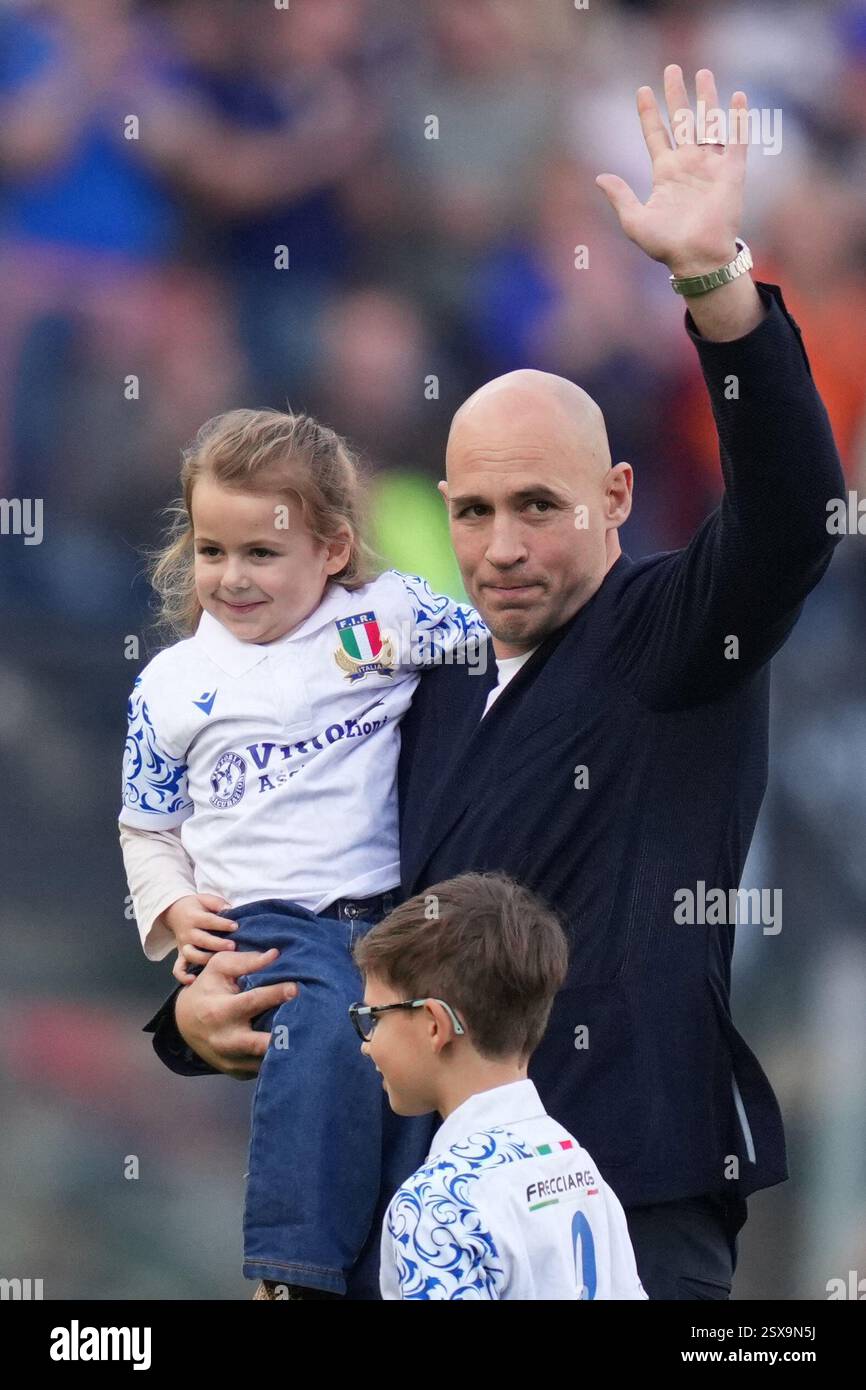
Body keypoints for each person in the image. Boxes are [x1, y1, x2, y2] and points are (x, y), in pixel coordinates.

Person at [141, 66, 846, 1300]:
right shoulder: (416, 676)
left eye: (537, 505)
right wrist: (197, 1021)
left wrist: (712, 286)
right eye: (471, 511)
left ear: (617, 497)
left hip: (625, 1191)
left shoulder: (671, 630)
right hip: (416, 1201)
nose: (501, 546)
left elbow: (791, 513)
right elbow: (312, 896)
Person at [119, 406, 485, 1298]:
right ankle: (289, 1271)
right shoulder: (170, 685)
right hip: (272, 925)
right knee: (323, 1033)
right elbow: (146, 824)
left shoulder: (385, 619)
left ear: (330, 549)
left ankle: (402, 1269)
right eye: (212, 551)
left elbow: (495, 640)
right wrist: (170, 909)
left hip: (389, 918)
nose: (232, 578)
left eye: (261, 553)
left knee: (415, 1060)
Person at [350, 871, 648, 1300]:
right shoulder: (576, 1164)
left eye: (373, 1018)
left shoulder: (433, 1204)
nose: (367, 1045)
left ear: (435, 1025)